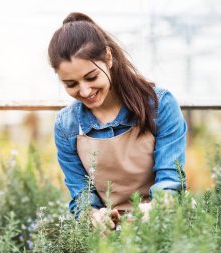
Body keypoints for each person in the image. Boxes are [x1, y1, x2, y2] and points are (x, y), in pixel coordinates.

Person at [48, 12, 187, 231]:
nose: (84, 91)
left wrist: (150, 211)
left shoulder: (159, 105)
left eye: (92, 77)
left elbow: (171, 181)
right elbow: (81, 196)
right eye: (70, 83)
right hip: (109, 233)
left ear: (109, 58)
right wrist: (93, 217)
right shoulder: (66, 125)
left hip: (162, 222)